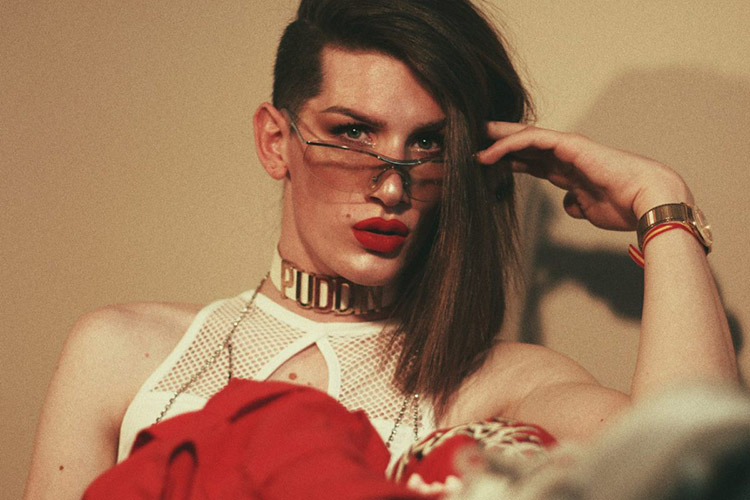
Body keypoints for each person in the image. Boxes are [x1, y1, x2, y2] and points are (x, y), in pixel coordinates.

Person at [24, 0, 738, 498]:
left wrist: (661, 205)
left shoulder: (496, 383)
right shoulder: (121, 352)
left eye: (427, 144)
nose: (392, 187)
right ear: (276, 141)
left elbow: (691, 469)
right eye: (353, 133)